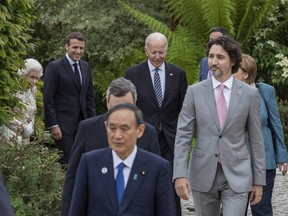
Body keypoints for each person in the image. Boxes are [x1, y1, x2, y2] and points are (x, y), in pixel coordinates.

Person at [173, 36, 266, 216]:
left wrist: (258, 181)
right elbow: (183, 135)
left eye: (220, 57)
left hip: (237, 174)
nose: (213, 61)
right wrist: (180, 174)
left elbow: (256, 140)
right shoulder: (194, 92)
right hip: (202, 172)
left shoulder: (249, 94)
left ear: (232, 61)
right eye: (211, 56)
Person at [61, 78, 161, 216]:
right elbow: (72, 177)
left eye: (127, 107)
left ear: (135, 104)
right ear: (107, 103)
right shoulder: (87, 128)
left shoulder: (148, 132)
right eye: (116, 107)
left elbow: (157, 179)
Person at [69, 103, 175, 215]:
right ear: (106, 127)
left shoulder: (158, 168)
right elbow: (77, 210)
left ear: (140, 130)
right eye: (112, 128)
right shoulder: (89, 163)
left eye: (124, 129)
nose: (117, 135)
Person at [124, 32, 187, 216]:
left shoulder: (178, 74)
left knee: (171, 183)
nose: (158, 56)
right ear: (146, 51)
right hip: (143, 137)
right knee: (143, 183)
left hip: (170, 139)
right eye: (154, 52)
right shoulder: (133, 74)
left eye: (161, 52)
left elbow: (183, 109)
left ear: (166, 50)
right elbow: (129, 106)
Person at [234, 54, 288, 216]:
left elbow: (275, 124)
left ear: (246, 73)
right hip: (237, 161)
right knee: (235, 208)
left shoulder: (266, 91)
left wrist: (282, 155)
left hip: (264, 160)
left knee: (261, 208)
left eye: (235, 68)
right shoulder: (228, 92)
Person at [43, 32, 96, 164]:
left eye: (81, 48)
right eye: (75, 47)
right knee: (68, 162)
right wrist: (53, 125)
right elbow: (48, 98)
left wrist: (92, 122)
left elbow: (89, 98)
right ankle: (65, 185)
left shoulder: (85, 67)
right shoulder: (54, 67)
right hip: (63, 126)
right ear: (66, 47)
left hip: (83, 124)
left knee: (83, 160)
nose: (78, 51)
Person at [0, 58, 43, 145]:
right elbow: (5, 113)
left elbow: (32, 111)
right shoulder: (12, 87)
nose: (34, 81)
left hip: (24, 138)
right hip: (8, 135)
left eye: (37, 78)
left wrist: (31, 124)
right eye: (32, 77)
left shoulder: (33, 89)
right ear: (24, 74)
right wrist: (23, 128)